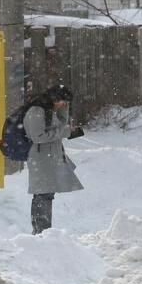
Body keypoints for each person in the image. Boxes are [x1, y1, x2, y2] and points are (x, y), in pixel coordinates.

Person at [22, 84, 84, 234]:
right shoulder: (37, 111)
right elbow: (38, 136)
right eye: (63, 102)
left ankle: (43, 232)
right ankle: (41, 232)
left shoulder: (48, 110)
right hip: (41, 158)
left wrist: (64, 114)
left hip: (49, 157)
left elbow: (59, 126)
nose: (63, 104)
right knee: (42, 194)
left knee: (47, 194)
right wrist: (66, 131)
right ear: (54, 98)